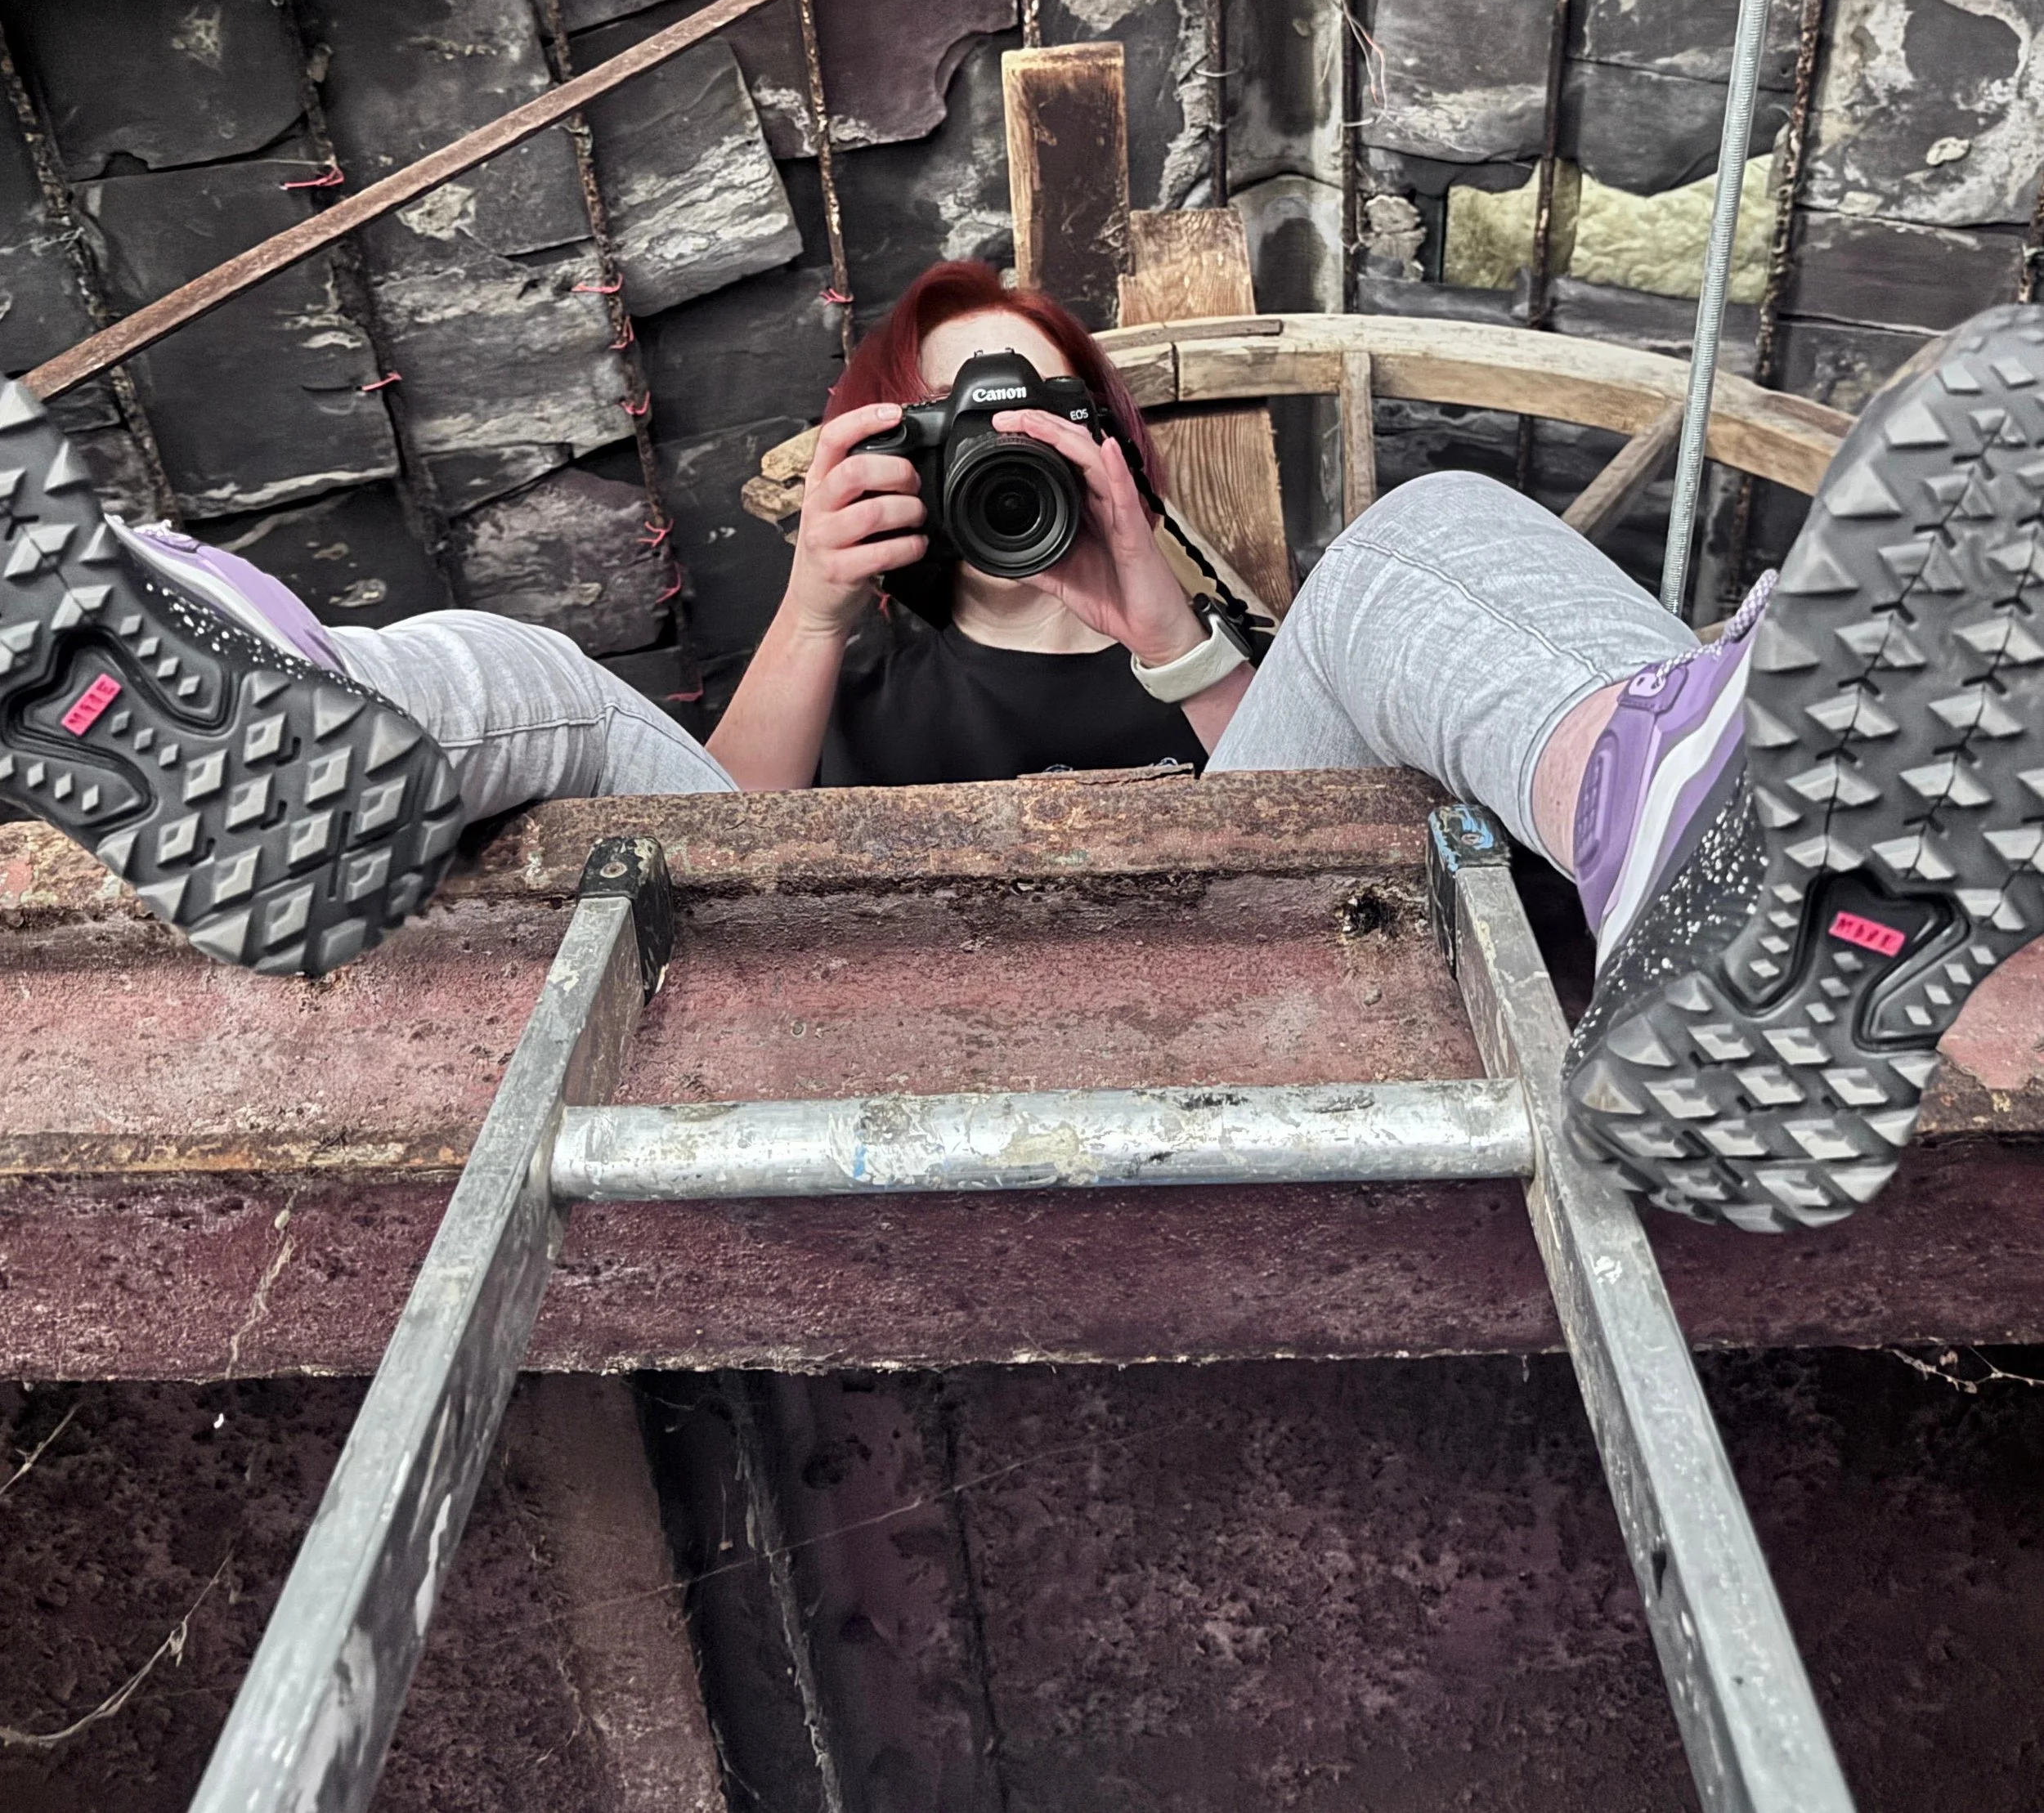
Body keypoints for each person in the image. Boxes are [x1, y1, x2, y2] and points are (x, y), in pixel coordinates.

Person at [0, 270, 2035, 1241]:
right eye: (960, 420)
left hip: (1243, 926)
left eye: (1048, 414)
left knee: (1415, 541)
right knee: (523, 669)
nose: (1008, 453)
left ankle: (1701, 828)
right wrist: (810, 597)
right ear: (877, 445)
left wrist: (1162, 615)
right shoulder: (849, 659)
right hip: (827, 979)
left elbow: (1316, 822)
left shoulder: (1197, 613)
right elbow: (720, 852)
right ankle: (249, 706)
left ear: (1107, 447)